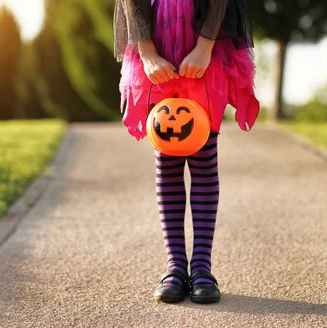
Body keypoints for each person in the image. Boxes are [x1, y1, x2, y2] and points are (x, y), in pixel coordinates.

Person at [113, 0, 259, 304]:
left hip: (206, 39)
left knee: (204, 158)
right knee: (168, 155)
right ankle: (176, 266)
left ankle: (202, 268)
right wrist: (147, 52)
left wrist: (205, 48)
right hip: (158, 38)